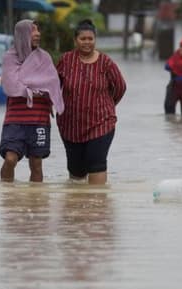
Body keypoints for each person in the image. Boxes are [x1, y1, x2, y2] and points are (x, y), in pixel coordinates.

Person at [56, 19, 127, 185]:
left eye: (90, 39)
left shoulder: (106, 63)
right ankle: (77, 208)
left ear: (95, 40)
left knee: (97, 163)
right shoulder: (65, 61)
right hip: (70, 125)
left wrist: (108, 106)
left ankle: (98, 207)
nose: (87, 42)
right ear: (75, 41)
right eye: (83, 39)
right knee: (76, 174)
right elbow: (54, 87)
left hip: (101, 124)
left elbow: (120, 87)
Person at [0, 19, 64, 182]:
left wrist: (30, 87)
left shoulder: (45, 58)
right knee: (10, 159)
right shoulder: (9, 58)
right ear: (22, 35)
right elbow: (11, 86)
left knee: (36, 164)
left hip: (39, 118)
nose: (38, 34)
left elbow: (52, 85)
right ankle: (7, 196)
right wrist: (37, 90)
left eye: (38, 30)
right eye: (33, 30)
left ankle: (36, 203)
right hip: (15, 119)